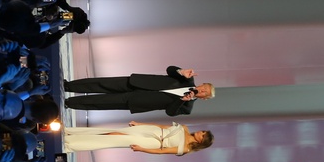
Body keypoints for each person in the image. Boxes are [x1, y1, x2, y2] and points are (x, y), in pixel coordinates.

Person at [63, 66, 214, 116]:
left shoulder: (187, 108)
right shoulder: (186, 79)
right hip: (138, 82)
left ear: (204, 98)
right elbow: (170, 69)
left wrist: (181, 101)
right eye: (203, 87)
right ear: (201, 83)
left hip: (139, 101)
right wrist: (181, 71)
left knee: (102, 102)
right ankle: (69, 86)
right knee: (101, 83)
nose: (201, 90)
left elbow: (170, 112)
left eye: (204, 92)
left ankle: (70, 103)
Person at [62, 122, 213, 155]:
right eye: (203, 131)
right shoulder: (185, 128)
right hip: (151, 130)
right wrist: (140, 123)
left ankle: (73, 143)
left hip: (153, 142)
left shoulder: (185, 149)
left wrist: (142, 149)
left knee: (114, 138)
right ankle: (72, 133)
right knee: (114, 132)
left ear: (201, 141)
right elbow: (163, 126)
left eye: (203, 134)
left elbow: (163, 151)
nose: (201, 132)